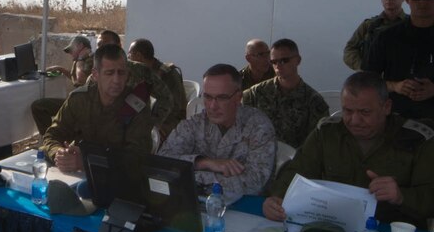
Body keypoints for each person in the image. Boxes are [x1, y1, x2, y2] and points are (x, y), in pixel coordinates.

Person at [263, 72, 434, 225]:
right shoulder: (327, 133)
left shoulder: (417, 140)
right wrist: (277, 197)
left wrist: (401, 196)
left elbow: (429, 197)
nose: (354, 120)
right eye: (348, 111)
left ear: (386, 107)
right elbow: (296, 170)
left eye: (365, 112)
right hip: (334, 225)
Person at [159, 64, 276, 197]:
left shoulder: (258, 127)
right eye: (208, 97)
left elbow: (255, 183)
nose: (213, 106)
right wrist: (204, 163)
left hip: (245, 210)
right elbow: (162, 162)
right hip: (199, 203)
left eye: (222, 98)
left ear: (238, 98)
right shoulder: (196, 123)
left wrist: (194, 178)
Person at [39, 44, 153, 172]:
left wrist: (88, 162)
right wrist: (60, 154)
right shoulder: (80, 99)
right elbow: (52, 134)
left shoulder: (136, 107)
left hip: (116, 178)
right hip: (77, 174)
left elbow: (138, 157)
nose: (116, 80)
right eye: (109, 73)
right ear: (95, 75)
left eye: (121, 73)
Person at [365, 0, 434, 120]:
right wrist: (395, 86)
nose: (423, 1)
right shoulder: (386, 37)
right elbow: (368, 81)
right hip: (396, 122)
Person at [241, 38, 329, 148]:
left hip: (295, 162)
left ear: (297, 60)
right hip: (259, 159)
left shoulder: (314, 101)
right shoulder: (254, 94)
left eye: (284, 60)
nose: (278, 66)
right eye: (273, 62)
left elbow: (319, 143)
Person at [31, 35, 91, 134]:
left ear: (80, 46)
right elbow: (75, 78)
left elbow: (80, 80)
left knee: (39, 107)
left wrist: (80, 58)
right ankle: (51, 139)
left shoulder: (90, 59)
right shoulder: (80, 61)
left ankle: (51, 140)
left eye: (72, 50)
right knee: (39, 106)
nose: (70, 54)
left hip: (83, 105)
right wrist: (60, 69)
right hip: (76, 101)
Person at [343, 0, 408, 70]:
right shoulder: (369, 25)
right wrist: (363, 68)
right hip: (373, 81)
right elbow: (350, 49)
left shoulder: (412, 24)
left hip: (402, 80)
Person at [128, 38, 186, 137]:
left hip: (168, 121)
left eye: (130, 54)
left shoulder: (168, 74)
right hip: (146, 119)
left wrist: (156, 124)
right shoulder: (139, 73)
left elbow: (175, 106)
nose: (128, 58)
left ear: (138, 56)